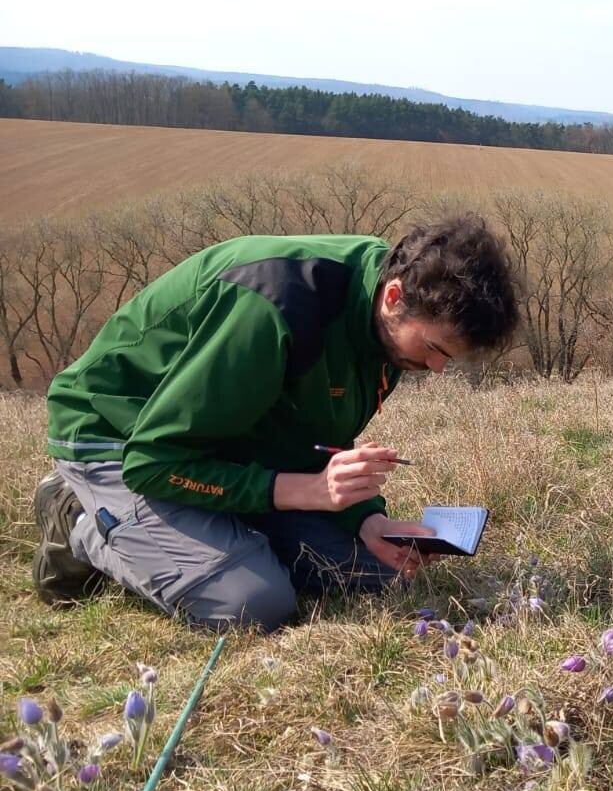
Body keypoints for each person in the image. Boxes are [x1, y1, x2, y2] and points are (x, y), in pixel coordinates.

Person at [32, 214, 520, 631]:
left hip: (232, 440)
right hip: (121, 438)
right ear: (394, 296)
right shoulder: (273, 306)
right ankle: (79, 516)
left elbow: (318, 437)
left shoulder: (384, 316)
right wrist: (306, 494)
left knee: (373, 573)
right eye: (434, 349)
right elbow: (154, 462)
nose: (436, 369)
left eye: (448, 359)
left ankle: (220, 528)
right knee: (252, 602)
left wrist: (366, 518)